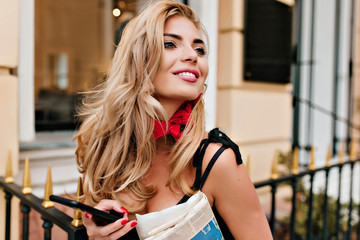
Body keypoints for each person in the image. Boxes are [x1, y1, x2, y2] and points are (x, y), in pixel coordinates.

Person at [74, 1, 272, 239]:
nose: (192, 56)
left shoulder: (217, 162)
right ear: (138, 59)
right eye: (170, 44)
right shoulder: (104, 146)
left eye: (200, 50)